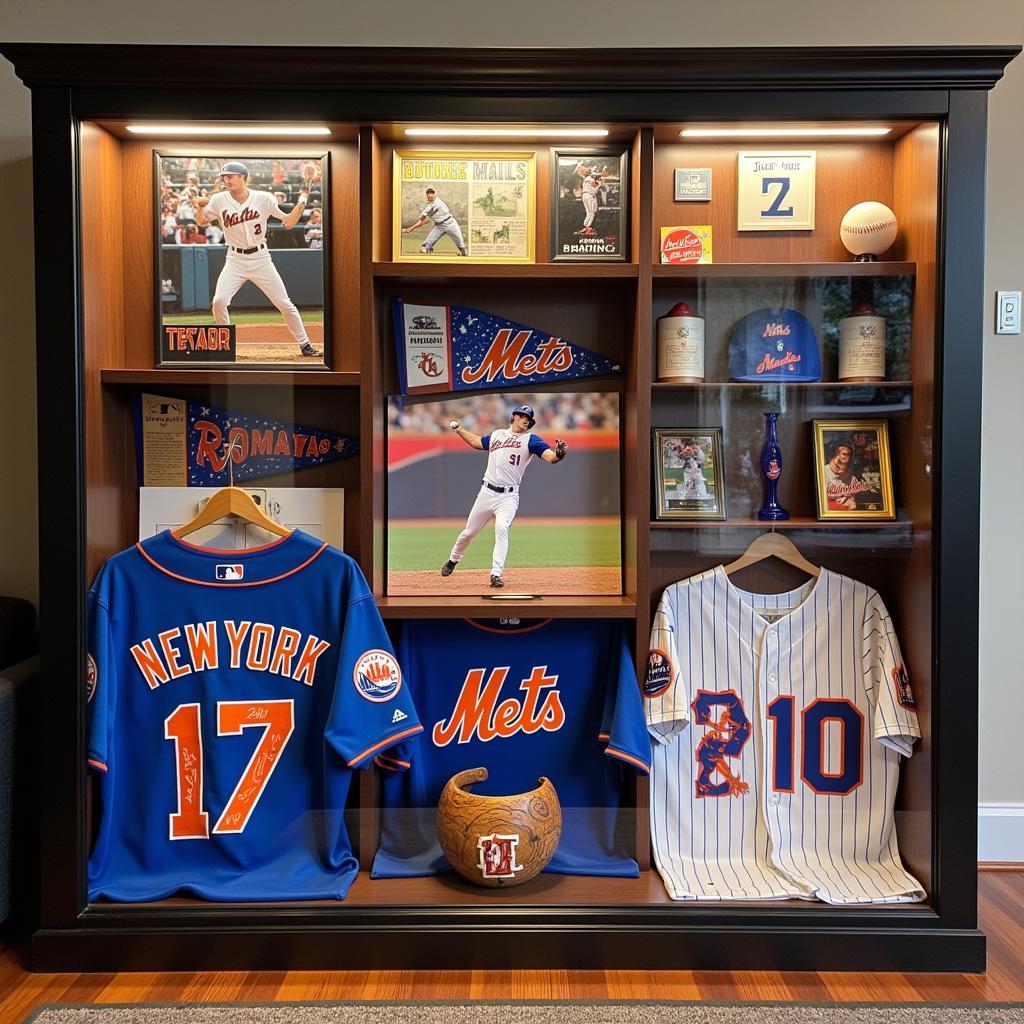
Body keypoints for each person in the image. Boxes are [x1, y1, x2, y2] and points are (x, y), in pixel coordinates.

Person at [192, 161, 322, 358]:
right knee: (219, 301)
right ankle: (224, 345)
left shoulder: (263, 198)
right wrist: (200, 208)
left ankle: (305, 344)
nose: (226, 180)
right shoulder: (219, 200)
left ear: (242, 176)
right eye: (224, 177)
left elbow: (288, 222)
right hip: (234, 259)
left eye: (230, 176)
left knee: (284, 303)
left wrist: (303, 198)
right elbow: (201, 221)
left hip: (261, 258)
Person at [440, 405, 567, 588]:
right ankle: (453, 559)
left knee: (501, 528)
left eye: (528, 418)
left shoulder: (531, 440)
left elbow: (551, 457)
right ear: (514, 416)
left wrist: (559, 455)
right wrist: (459, 429)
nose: (525, 419)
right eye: (522, 415)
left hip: (508, 497)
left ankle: (496, 574)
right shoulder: (497, 435)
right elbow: (477, 442)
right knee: (469, 533)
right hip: (486, 493)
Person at [402, 187, 468, 256]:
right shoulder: (429, 207)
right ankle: (427, 252)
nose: (430, 195)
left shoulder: (437, 203)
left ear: (435, 194)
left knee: (461, 246)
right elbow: (423, 221)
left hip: (451, 224)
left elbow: (424, 218)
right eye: (428, 193)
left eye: (432, 193)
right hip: (439, 227)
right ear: (427, 196)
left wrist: (412, 228)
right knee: (425, 247)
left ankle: (464, 254)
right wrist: (412, 228)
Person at [823, 439, 879, 511]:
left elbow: (868, 494)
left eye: (845, 464)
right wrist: (842, 505)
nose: (841, 465)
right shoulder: (822, 473)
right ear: (831, 456)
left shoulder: (851, 478)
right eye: (843, 454)